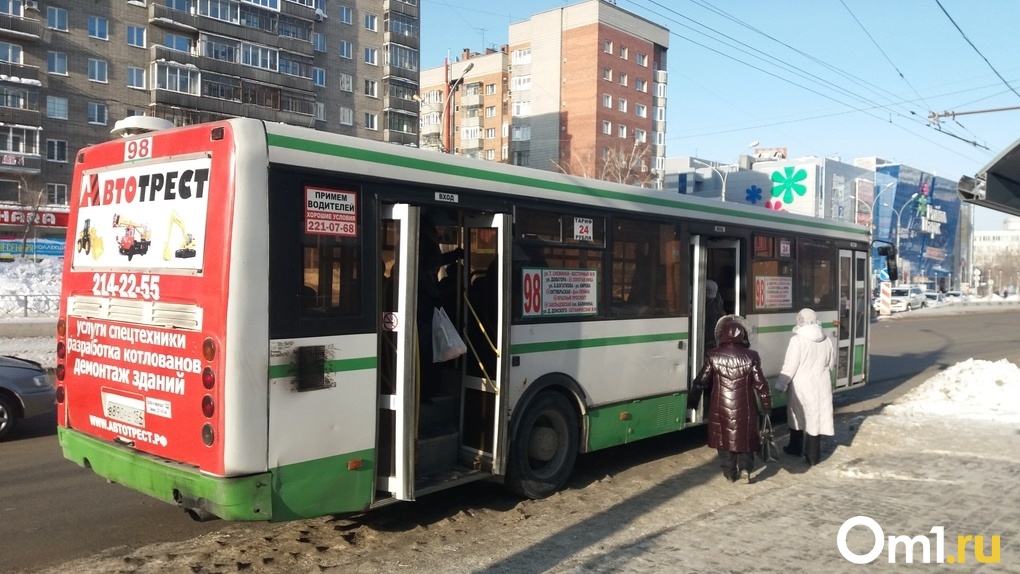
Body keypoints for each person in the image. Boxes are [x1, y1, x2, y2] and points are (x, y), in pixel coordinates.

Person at [690, 315, 773, 483]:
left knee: (724, 439)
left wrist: (693, 401)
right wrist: (767, 406)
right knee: (746, 438)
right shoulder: (752, 356)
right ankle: (745, 468)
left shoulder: (713, 355)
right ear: (742, 335)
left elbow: (701, 381)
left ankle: (729, 473)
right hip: (746, 405)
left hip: (720, 405)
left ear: (721, 335)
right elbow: (761, 384)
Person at [774, 308, 835, 466]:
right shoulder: (826, 339)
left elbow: (790, 366)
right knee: (815, 418)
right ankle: (813, 456)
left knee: (797, 415)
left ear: (800, 320)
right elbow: (831, 364)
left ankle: (795, 448)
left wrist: (781, 384)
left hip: (802, 385)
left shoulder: (797, 340)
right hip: (822, 384)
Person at [417, 212, 463, 401]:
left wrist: (453, 255)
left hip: (425, 300)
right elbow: (422, 272)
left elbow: (432, 264)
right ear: (432, 226)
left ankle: (426, 388)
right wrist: (435, 295)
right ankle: (424, 389)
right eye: (442, 227)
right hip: (424, 303)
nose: (444, 231)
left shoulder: (427, 239)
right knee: (427, 349)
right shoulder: (425, 241)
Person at [704, 280, 726, 349]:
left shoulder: (717, 300)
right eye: (707, 296)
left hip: (712, 333)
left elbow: (721, 314)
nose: (708, 299)